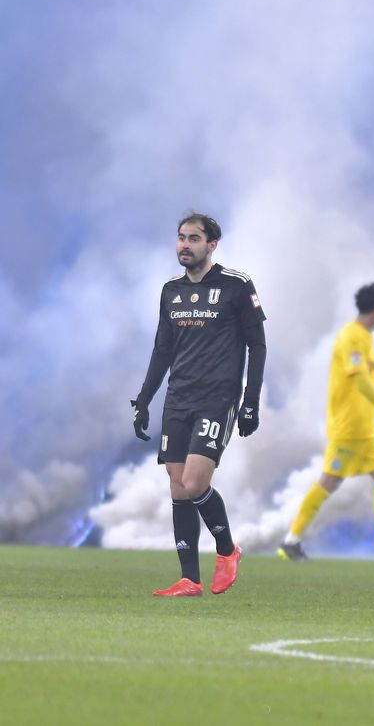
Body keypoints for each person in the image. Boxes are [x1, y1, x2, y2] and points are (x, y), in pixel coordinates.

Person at [132, 212, 266, 597]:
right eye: (180, 238)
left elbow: (257, 345)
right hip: (178, 398)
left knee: (194, 482)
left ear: (212, 245)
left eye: (193, 238)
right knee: (177, 487)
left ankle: (227, 551)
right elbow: (162, 350)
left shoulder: (237, 286)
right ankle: (189, 579)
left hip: (217, 398)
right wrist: (144, 400)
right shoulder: (170, 291)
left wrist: (250, 401)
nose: (184, 245)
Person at [278, 282, 374, 565]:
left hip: (366, 431)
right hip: (347, 430)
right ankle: (290, 542)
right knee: (329, 482)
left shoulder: (365, 337)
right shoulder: (351, 337)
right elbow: (360, 381)